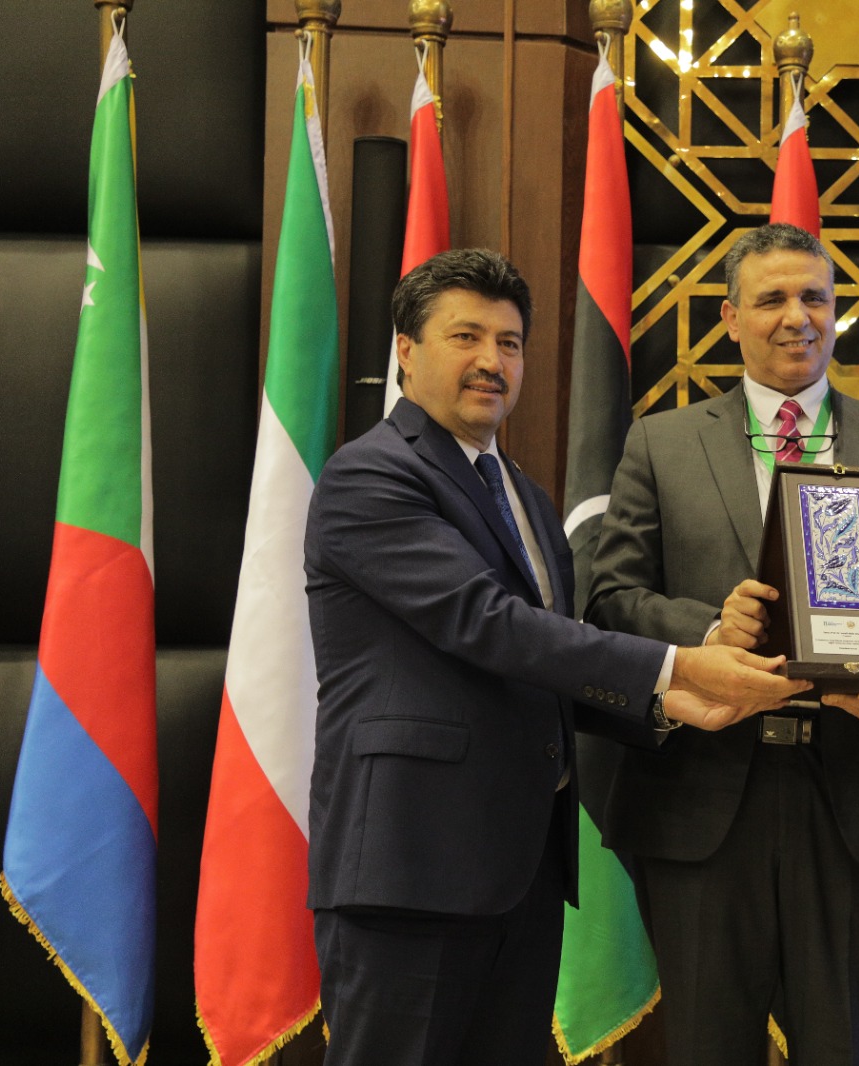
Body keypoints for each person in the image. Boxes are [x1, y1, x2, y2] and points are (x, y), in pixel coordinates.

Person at [303, 248, 806, 1066]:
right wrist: (676, 665)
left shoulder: (525, 497)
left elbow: (534, 669)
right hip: (412, 867)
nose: (491, 361)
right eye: (466, 337)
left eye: (509, 343)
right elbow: (487, 623)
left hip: (521, 870)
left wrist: (664, 702)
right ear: (406, 350)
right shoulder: (371, 477)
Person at [585, 222, 859, 1064]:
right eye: (771, 299)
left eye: (815, 298)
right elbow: (611, 598)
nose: (797, 317)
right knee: (706, 1048)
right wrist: (706, 633)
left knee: (845, 1046)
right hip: (700, 795)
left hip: (857, 794)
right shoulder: (662, 442)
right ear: (730, 318)